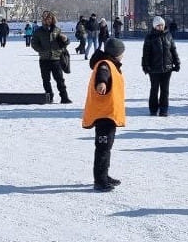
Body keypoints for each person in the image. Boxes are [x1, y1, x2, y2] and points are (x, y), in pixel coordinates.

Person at [82, 38, 127, 192]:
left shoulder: (109, 64)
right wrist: (101, 83)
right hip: (104, 115)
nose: (122, 56)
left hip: (108, 113)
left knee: (106, 147)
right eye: (121, 53)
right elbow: (103, 74)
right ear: (115, 53)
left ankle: (104, 175)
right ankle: (100, 180)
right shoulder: (105, 65)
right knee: (102, 148)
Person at [142, 16, 180, 116]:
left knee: (165, 90)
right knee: (154, 89)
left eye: (162, 25)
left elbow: (173, 50)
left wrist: (177, 62)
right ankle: (153, 109)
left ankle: (164, 109)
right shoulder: (149, 37)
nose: (161, 27)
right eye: (158, 25)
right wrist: (145, 66)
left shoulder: (168, 35)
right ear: (154, 26)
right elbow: (146, 53)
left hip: (167, 68)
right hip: (154, 69)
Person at [31, 11, 71, 103]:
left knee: (60, 80)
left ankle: (64, 97)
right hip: (44, 59)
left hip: (56, 59)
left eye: (50, 18)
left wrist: (66, 39)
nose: (48, 21)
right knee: (46, 80)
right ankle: (49, 97)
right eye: (46, 19)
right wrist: (41, 50)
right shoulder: (38, 31)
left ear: (53, 19)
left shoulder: (57, 30)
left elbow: (65, 42)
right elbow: (34, 43)